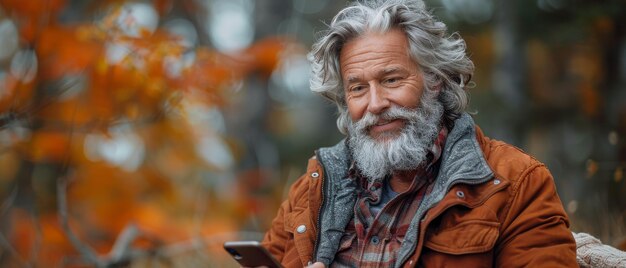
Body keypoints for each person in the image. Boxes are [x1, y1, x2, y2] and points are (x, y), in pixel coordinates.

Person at [262, 0, 578, 267]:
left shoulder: (517, 184)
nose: (375, 104)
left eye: (391, 80)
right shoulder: (312, 189)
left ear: (434, 79)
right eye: (358, 88)